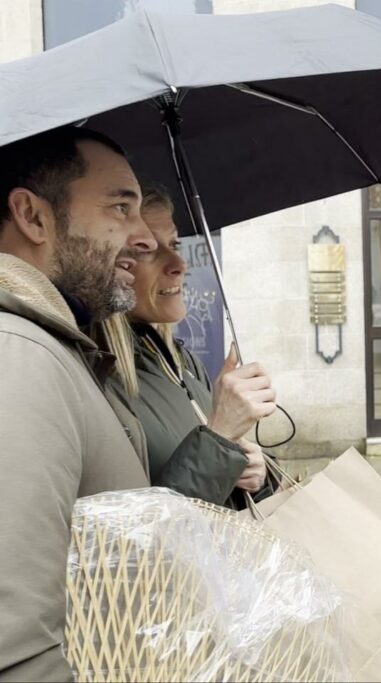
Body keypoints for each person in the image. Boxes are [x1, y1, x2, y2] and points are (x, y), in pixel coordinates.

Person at [0, 126, 158, 682]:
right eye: (121, 207)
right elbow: (13, 653)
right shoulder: (16, 354)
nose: (146, 238)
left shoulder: (51, 345)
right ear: (33, 216)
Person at [96, 186, 274, 507]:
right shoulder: (97, 375)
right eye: (147, 249)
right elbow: (141, 539)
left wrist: (254, 474)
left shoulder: (180, 361)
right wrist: (220, 437)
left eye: (175, 244)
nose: (179, 263)